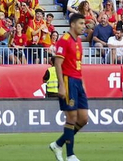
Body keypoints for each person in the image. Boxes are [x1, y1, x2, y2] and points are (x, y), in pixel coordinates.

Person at [50, 12, 89, 161]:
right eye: (81, 24)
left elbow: (78, 64)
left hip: (78, 80)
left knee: (83, 119)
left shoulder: (78, 41)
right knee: (71, 117)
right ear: (72, 24)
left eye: (84, 24)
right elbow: (58, 64)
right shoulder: (64, 40)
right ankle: (70, 155)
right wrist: (61, 85)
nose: (83, 27)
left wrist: (83, 81)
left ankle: (58, 144)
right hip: (68, 80)